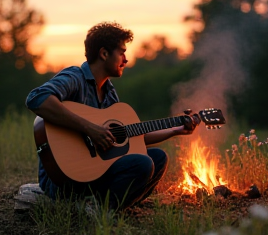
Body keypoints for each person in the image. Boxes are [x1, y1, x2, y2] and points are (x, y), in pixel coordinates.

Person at [26, 21, 198, 211]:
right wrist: (89, 128)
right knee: (142, 163)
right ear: (104, 53)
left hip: (94, 174)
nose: (126, 59)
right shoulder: (75, 77)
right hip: (62, 179)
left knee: (158, 158)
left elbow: (131, 137)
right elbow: (37, 98)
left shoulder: (109, 92)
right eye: (121, 52)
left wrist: (175, 130)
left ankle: (105, 208)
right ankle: (100, 209)